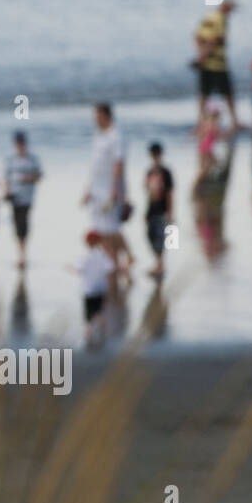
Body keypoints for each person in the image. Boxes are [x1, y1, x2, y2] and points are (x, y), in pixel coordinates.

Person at [81, 102, 132, 275]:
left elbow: (119, 163)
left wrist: (115, 189)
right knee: (100, 227)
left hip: (110, 188)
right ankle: (112, 261)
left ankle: (123, 258)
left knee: (110, 228)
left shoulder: (115, 135)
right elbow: (95, 166)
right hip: (97, 188)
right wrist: (88, 190)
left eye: (98, 116)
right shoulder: (98, 135)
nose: (95, 120)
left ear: (106, 115)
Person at [194, 0, 240, 131]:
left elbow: (198, 37)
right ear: (225, 7)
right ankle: (234, 121)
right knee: (227, 92)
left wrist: (200, 55)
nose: (231, 12)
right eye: (230, 9)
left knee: (204, 93)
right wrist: (204, 55)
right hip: (218, 63)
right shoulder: (221, 20)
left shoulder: (209, 17)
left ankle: (200, 121)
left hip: (206, 63)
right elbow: (217, 40)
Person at [4, 131, 43, 268]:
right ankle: (20, 253)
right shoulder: (11, 159)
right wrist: (6, 192)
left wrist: (27, 178)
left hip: (27, 197)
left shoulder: (32, 159)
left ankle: (23, 255)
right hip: (14, 196)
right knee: (16, 224)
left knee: (23, 223)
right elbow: (7, 178)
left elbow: (39, 175)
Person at [73, 230, 115, 349]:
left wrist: (70, 268)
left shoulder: (85, 256)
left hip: (88, 290)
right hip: (100, 288)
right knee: (100, 310)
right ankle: (103, 330)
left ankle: (88, 334)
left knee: (87, 315)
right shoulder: (102, 255)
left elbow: (79, 270)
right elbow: (110, 268)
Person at [143, 142, 174, 278]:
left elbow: (170, 194)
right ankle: (158, 263)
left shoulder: (166, 172)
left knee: (163, 238)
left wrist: (171, 212)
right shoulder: (149, 172)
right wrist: (146, 211)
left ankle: (160, 265)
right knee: (150, 235)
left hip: (162, 210)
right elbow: (148, 193)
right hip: (151, 209)